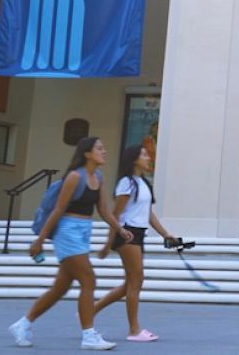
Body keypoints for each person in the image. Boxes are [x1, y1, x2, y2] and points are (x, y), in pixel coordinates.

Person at [9, 136, 131, 350]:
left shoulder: (98, 177)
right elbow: (58, 209)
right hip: (67, 231)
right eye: (100, 148)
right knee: (88, 280)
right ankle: (88, 335)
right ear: (87, 153)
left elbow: (103, 209)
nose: (104, 151)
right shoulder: (75, 177)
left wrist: (119, 228)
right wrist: (39, 240)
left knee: (60, 288)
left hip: (84, 231)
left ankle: (23, 324)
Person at [93, 145, 171, 343]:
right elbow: (116, 215)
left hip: (138, 234)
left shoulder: (142, 182)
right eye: (144, 155)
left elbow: (148, 213)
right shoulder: (126, 183)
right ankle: (134, 330)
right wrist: (108, 243)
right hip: (127, 234)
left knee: (130, 283)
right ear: (134, 159)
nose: (148, 157)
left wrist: (165, 234)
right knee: (137, 280)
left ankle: (90, 311)